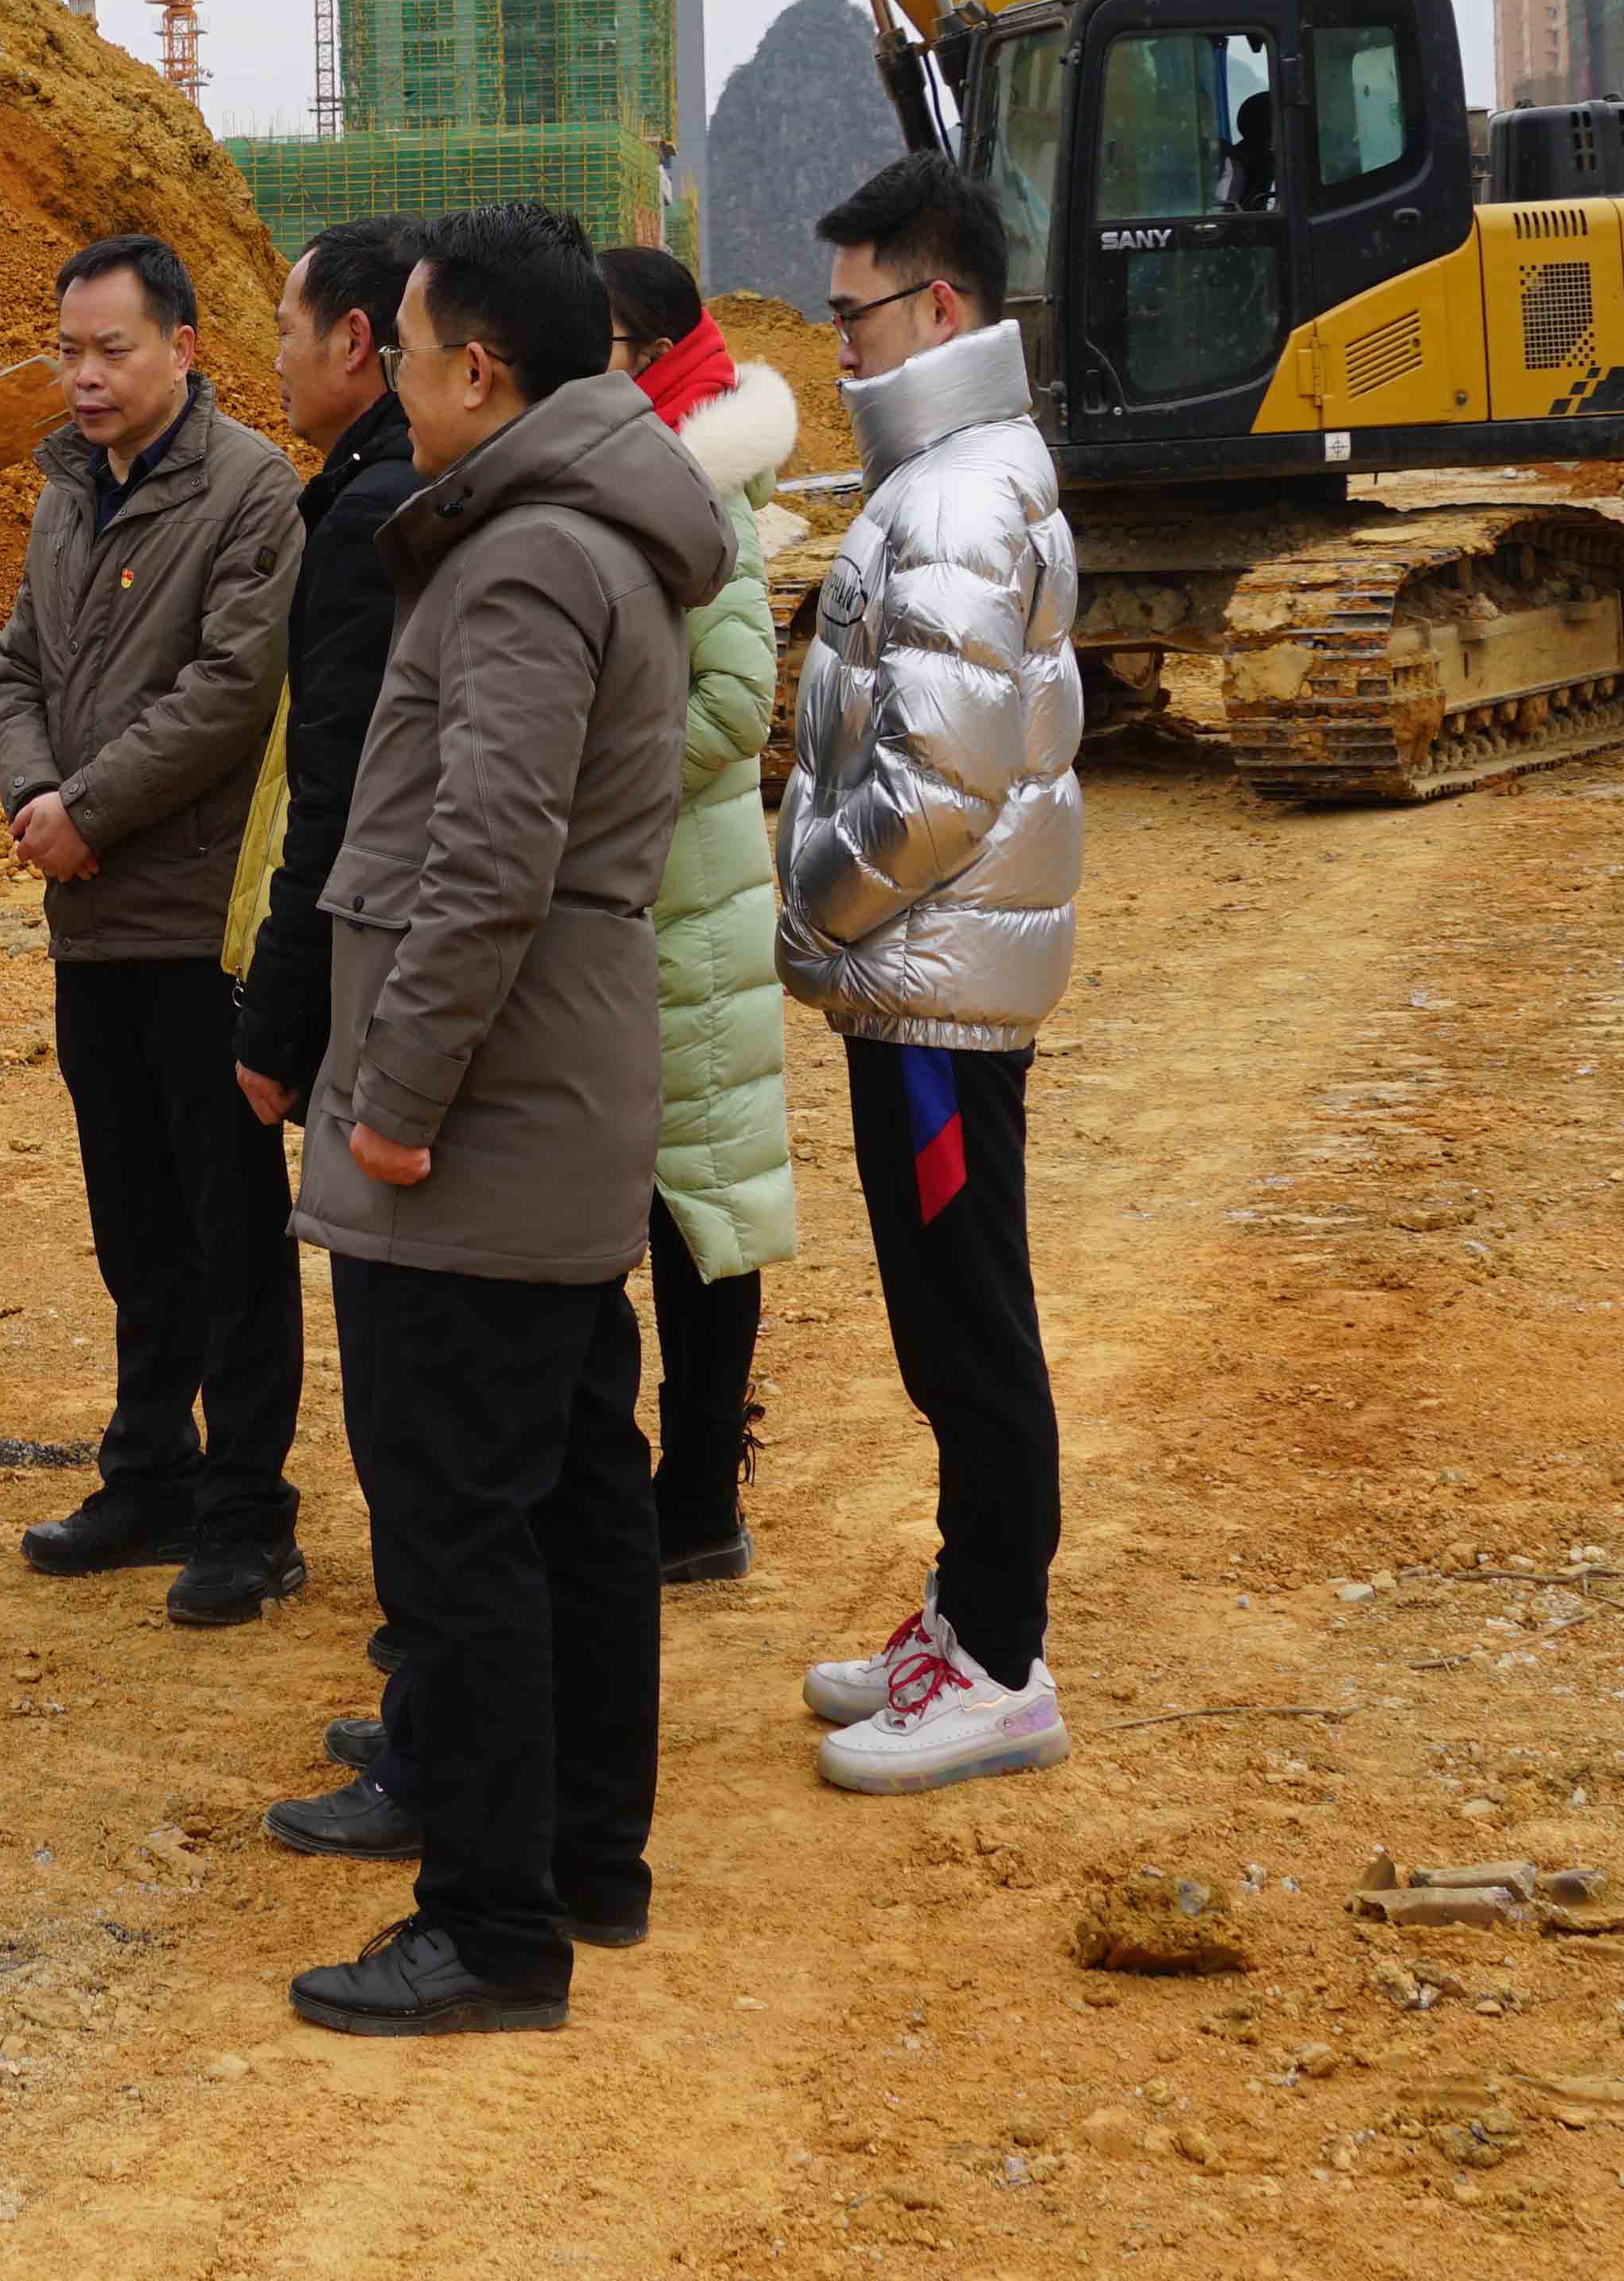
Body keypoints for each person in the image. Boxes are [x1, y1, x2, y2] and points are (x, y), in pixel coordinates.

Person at [279, 206, 732, 2040]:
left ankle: (487, 1924)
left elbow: (486, 859)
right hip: (543, 1083)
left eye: (402, 351)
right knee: (570, 1490)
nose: (386, 379)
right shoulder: (576, 526)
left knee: (460, 1521)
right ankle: (582, 1860)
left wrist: (393, 1101)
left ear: (479, 371)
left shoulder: (529, 558)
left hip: (481, 1106)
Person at [781, 150, 1083, 1794]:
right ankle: (967, 1619)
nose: (838, 343)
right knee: (947, 1313)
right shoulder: (947, 473)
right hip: (927, 977)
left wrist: (811, 911)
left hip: (934, 985)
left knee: (966, 1326)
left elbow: (937, 789)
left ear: (942, 306)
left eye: (857, 314)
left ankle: (1003, 1666)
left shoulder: (959, 496)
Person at [0, 231, 308, 1625]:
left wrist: (90, 810)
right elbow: (15, 666)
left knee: (230, 1229)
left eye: (112, 349)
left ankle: (249, 1510)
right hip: (92, 923)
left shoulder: (251, 492)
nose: (86, 376)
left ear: (183, 347)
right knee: (133, 1224)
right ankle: (150, 1469)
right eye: (69, 350)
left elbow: (231, 692)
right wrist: (33, 796)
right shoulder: (67, 490)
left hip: (197, 925)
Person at [233, 220, 434, 1836]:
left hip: (385, 991)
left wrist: (276, 1012)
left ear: (360, 342)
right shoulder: (394, 497)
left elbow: (346, 787)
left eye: (289, 328)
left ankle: (445, 1734)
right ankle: (438, 1695)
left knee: (416, 1383)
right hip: (399, 983)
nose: (276, 355)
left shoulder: (377, 513)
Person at [594, 243, 801, 1583]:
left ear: (656, 353)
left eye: (603, 339)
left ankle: (702, 1494)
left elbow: (734, 706)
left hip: (689, 899)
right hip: (651, 895)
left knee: (702, 1211)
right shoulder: (643, 472)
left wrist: (587, 771)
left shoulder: (698, 486)